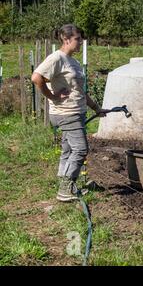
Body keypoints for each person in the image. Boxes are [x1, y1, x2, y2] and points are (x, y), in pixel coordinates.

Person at [31, 24, 108, 202]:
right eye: (78, 39)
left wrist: (96, 108)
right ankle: (65, 188)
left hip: (76, 111)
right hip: (66, 112)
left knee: (68, 149)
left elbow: (79, 90)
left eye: (81, 39)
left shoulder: (73, 61)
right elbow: (36, 78)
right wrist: (52, 97)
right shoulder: (57, 58)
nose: (81, 42)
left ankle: (66, 182)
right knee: (81, 149)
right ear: (66, 40)